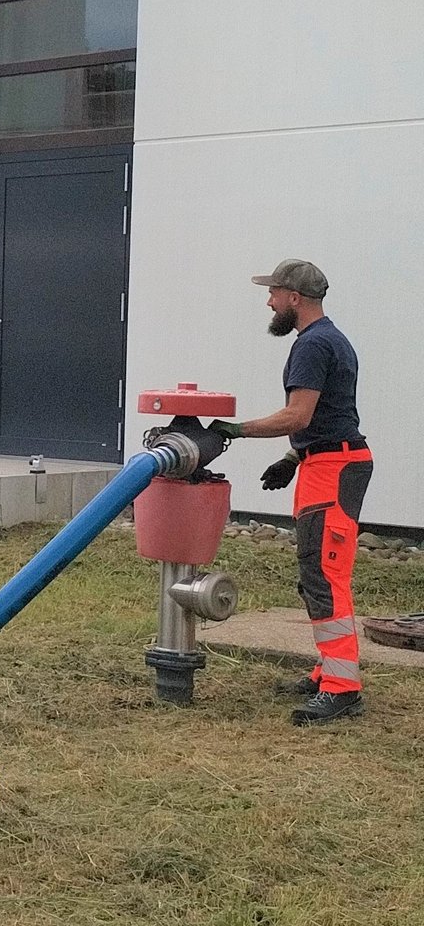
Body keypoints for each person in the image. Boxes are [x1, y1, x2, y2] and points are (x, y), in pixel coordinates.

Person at [208, 259, 371, 725]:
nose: (269, 301)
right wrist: (292, 458)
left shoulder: (313, 344)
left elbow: (298, 416)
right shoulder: (327, 339)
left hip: (334, 468)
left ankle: (342, 687)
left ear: (294, 299)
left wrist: (235, 430)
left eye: (274, 293)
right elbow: (329, 416)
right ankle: (329, 670)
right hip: (324, 463)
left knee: (325, 574)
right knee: (316, 572)